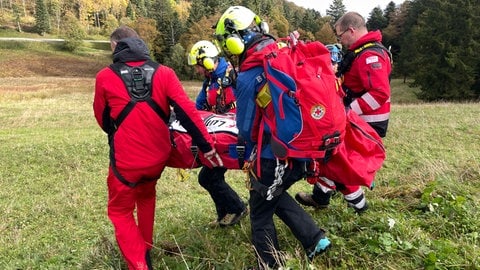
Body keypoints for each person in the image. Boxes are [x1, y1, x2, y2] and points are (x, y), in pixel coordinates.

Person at [93, 26, 223, 270]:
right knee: (146, 196)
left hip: (126, 162)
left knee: (120, 211)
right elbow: (187, 113)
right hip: (157, 158)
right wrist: (206, 147)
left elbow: (102, 119)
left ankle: (140, 265)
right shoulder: (164, 73)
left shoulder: (105, 77)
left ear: (115, 46)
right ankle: (147, 250)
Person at [214, 6, 331, 268]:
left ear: (235, 41)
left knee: (260, 212)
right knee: (273, 195)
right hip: (303, 148)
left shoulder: (248, 74)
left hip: (273, 155)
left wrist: (242, 150)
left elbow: (245, 128)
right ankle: (314, 239)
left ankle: (269, 264)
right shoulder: (284, 52)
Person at [295, 12, 392, 212]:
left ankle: (359, 206)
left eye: (340, 36)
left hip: (365, 120)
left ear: (351, 30)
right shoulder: (362, 52)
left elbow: (380, 93)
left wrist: (348, 111)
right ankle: (320, 197)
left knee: (341, 162)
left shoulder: (369, 55)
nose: (340, 41)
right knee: (332, 157)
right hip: (358, 118)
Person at [187, 40, 247, 227]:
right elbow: (197, 108)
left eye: (198, 66)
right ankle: (228, 213)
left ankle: (236, 209)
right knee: (209, 176)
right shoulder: (209, 83)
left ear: (206, 62)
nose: (197, 71)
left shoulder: (235, 76)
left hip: (239, 137)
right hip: (221, 135)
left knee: (208, 177)